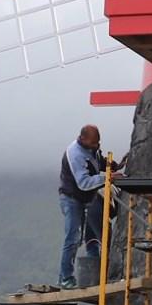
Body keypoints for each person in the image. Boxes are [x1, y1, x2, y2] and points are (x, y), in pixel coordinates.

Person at [57, 124, 111, 289]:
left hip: (86, 200)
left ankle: (93, 275)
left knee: (90, 237)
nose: (96, 146)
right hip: (72, 199)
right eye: (93, 144)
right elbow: (84, 183)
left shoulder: (91, 148)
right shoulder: (75, 154)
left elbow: (97, 162)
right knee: (73, 238)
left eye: (97, 143)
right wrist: (107, 178)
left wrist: (113, 165)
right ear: (82, 139)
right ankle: (65, 278)